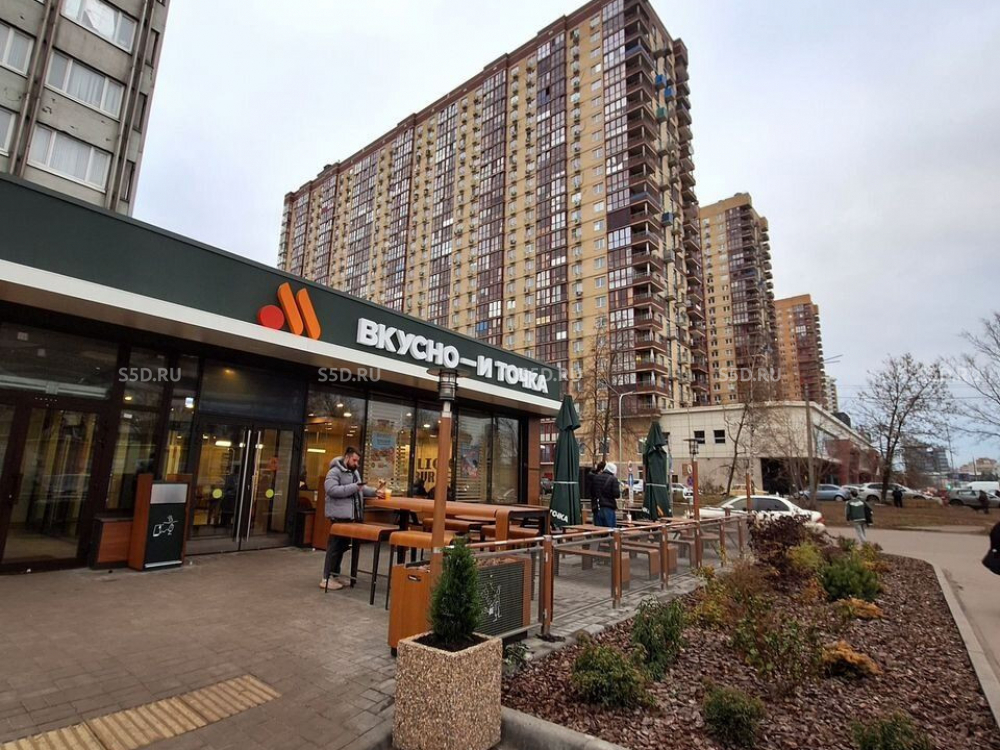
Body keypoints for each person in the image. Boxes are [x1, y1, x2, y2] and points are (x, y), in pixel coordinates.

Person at [321, 447, 384, 590]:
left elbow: (360, 488)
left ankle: (334, 574)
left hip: (351, 516)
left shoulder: (354, 472)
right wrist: (354, 487)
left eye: (358, 461)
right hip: (338, 515)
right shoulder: (334, 472)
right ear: (347, 457)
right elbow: (331, 490)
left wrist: (375, 492)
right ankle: (326, 578)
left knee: (342, 546)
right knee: (335, 546)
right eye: (354, 460)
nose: (357, 464)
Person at [591, 462, 621, 528]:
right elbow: (616, 494)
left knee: (598, 530)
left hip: (597, 507)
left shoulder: (595, 478)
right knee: (610, 530)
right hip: (608, 507)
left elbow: (592, 492)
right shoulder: (613, 479)